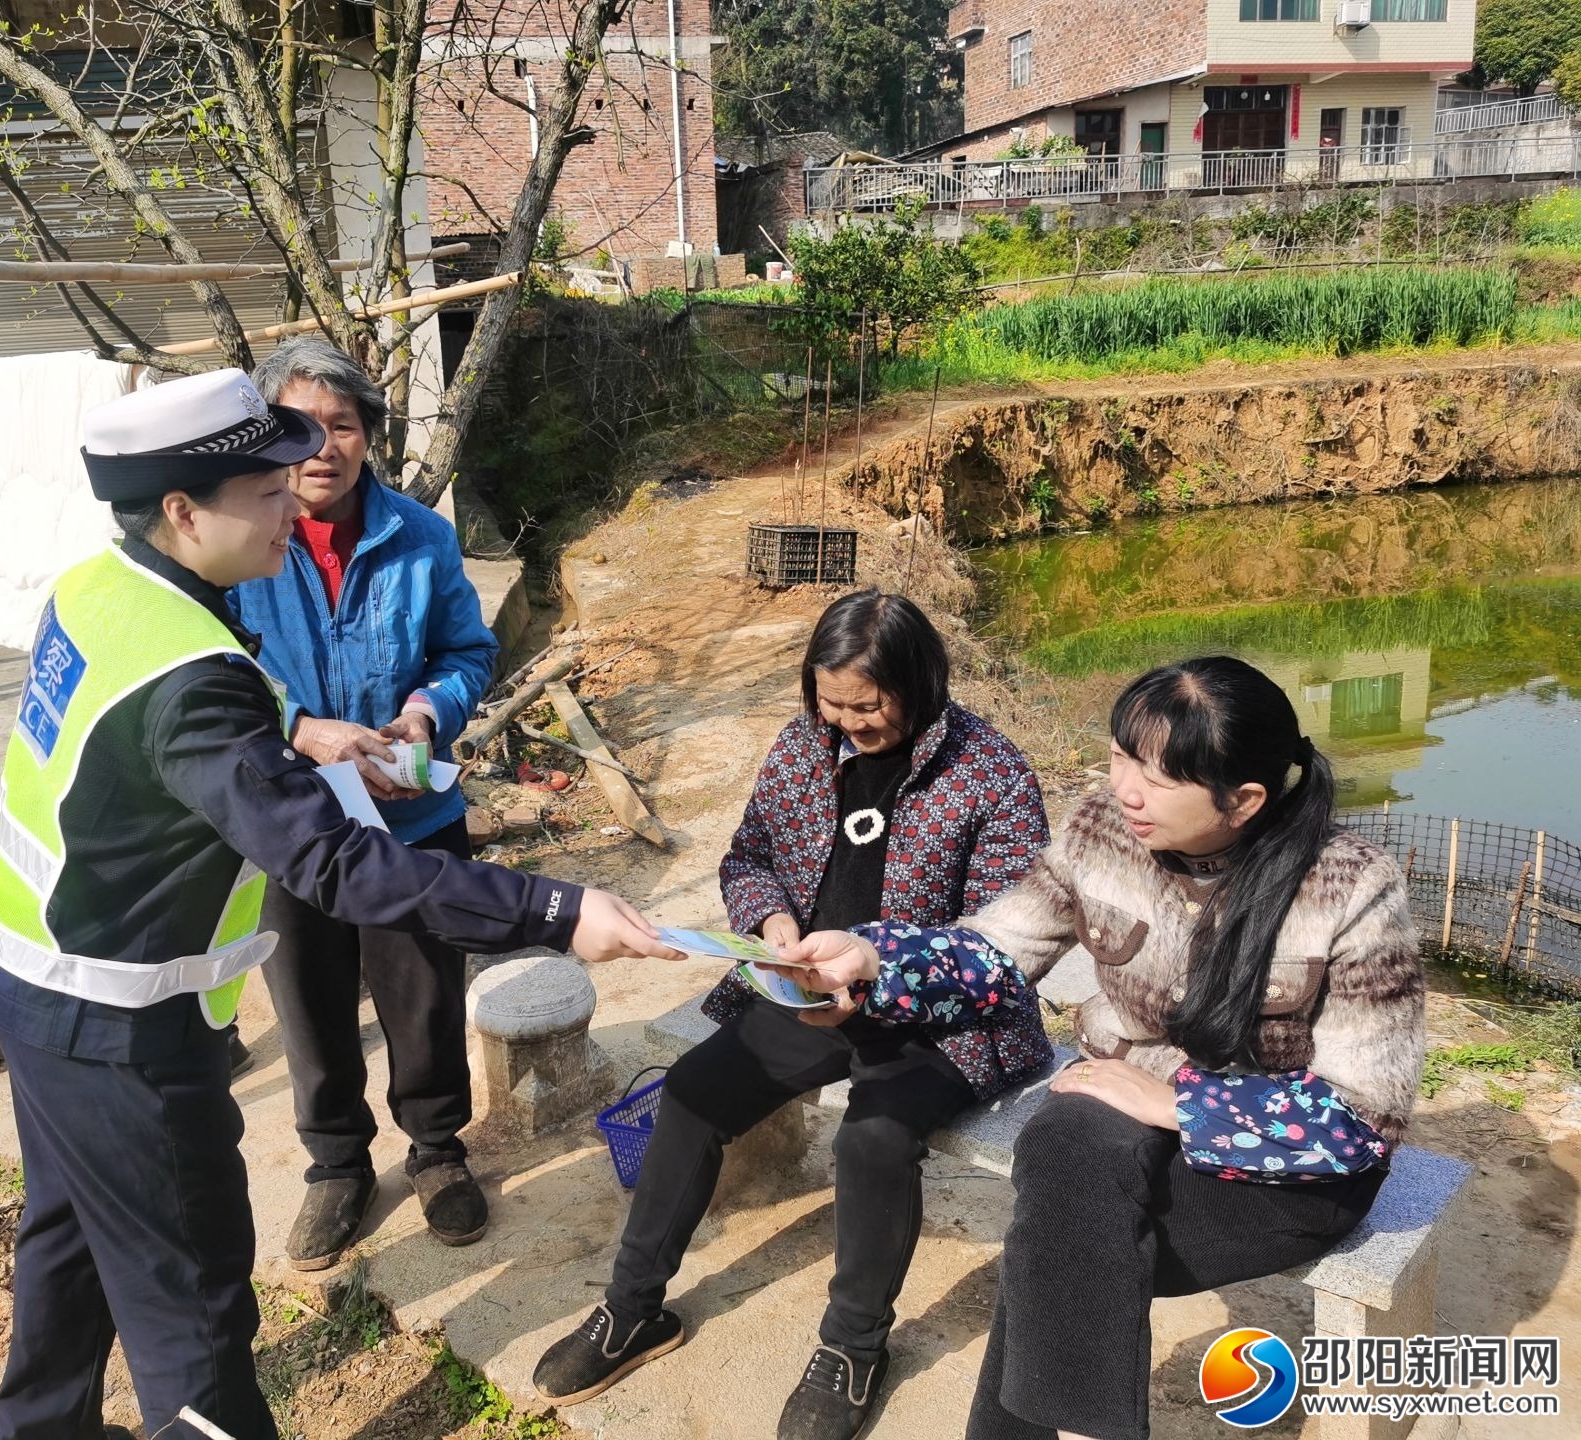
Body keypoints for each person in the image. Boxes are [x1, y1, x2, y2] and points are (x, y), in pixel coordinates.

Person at [0, 367, 680, 1440]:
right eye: (265, 491)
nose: (290, 503)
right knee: (197, 1311)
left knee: (67, 1236)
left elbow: (228, 688)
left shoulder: (104, 588)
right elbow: (335, 864)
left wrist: (314, 732)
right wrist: (554, 912)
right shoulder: (191, 676)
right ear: (183, 511)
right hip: (119, 1026)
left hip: (30, 978)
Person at [776, 656, 1424, 1440]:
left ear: (1243, 800)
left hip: (1281, 1158)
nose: (1126, 790)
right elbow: (999, 948)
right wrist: (873, 959)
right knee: (1065, 1165)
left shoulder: (1350, 887)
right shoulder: (1101, 830)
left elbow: (1363, 1117)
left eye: (1158, 777)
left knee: (1052, 1257)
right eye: (1121, 757)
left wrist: (1183, 1104)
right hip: (1124, 1093)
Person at [532, 590, 1055, 1440]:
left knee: (872, 1141)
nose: (845, 723)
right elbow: (750, 856)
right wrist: (773, 924)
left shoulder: (991, 774)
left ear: (920, 685)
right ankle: (633, 1308)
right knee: (690, 1094)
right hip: (808, 992)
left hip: (943, 1020)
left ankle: (853, 1347)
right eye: (829, 701)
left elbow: (1001, 948)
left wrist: (877, 973)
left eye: (866, 706)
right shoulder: (803, 745)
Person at [229, 337, 499, 1267]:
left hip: (411, 814)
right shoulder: (240, 540)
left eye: (342, 425)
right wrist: (303, 728)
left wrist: (426, 715)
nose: (322, 446)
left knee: (424, 993)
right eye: (300, 427)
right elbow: (217, 670)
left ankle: (437, 1150)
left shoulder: (420, 535)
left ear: (368, 436)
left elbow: (466, 652)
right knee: (308, 1003)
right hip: (289, 820)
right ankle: (337, 1166)